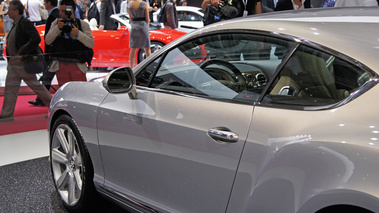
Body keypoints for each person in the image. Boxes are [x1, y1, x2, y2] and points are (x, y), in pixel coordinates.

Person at [0, 0, 52, 122]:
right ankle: (7, 114)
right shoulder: (18, 23)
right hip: (15, 62)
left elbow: (35, 38)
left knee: (35, 86)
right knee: (11, 88)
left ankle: (53, 105)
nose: (8, 12)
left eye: (10, 10)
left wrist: (22, 52)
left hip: (21, 62)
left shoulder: (24, 23)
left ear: (16, 11)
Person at [45, 0, 95, 87]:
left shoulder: (82, 24)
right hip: (60, 63)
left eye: (64, 11)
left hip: (78, 64)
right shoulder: (57, 23)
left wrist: (78, 33)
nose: (60, 13)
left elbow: (91, 43)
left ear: (71, 11)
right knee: (65, 92)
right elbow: (48, 41)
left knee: (80, 91)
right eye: (60, 10)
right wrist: (57, 28)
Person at [28, 0, 60, 106]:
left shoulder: (53, 15)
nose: (44, 5)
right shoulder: (55, 14)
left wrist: (48, 52)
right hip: (54, 52)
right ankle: (41, 99)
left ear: (49, 3)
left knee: (47, 76)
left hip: (53, 52)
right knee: (47, 76)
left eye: (45, 3)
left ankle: (42, 99)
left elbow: (51, 36)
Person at [128, 0, 151, 68]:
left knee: (133, 49)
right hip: (143, 26)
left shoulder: (129, 4)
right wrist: (147, 26)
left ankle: (132, 67)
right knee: (147, 48)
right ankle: (148, 67)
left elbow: (130, 18)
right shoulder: (144, 4)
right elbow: (147, 18)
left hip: (134, 27)